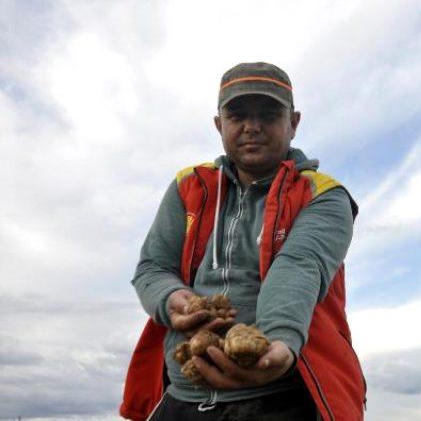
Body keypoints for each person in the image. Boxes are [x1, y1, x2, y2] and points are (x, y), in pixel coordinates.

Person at [120, 62, 366, 420]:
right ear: (220, 124)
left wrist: (278, 343)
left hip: (279, 396)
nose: (252, 126)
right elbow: (152, 267)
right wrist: (171, 298)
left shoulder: (323, 194)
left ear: (293, 123)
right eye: (237, 116)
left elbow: (299, 265)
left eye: (268, 114)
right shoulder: (188, 186)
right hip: (182, 397)